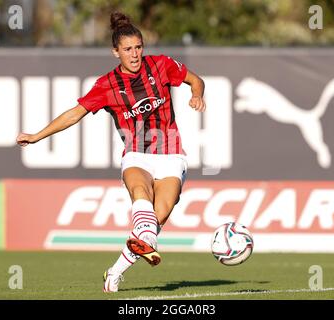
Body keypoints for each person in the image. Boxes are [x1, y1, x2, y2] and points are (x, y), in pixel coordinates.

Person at [16, 12, 206, 293]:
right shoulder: (107, 85)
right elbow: (74, 115)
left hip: (171, 154)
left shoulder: (162, 65)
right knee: (141, 193)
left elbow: (195, 80)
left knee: (156, 219)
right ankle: (143, 243)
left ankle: (115, 271)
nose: (135, 54)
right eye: (128, 49)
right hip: (136, 155)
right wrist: (37, 136)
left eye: (139, 47)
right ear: (115, 52)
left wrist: (197, 94)